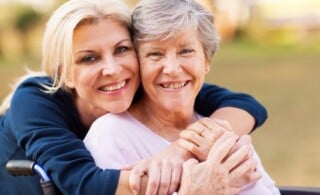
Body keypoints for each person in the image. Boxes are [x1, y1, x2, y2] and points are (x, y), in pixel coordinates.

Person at [0, 0, 267, 194]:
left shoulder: (135, 85)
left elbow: (245, 105)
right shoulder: (34, 102)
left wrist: (180, 151)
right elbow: (81, 183)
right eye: (89, 58)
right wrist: (194, 181)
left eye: (122, 49)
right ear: (65, 74)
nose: (113, 70)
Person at [84, 0, 280, 194]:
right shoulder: (112, 136)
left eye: (186, 51)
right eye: (155, 54)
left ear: (207, 61)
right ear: (137, 64)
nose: (172, 69)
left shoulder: (220, 127)